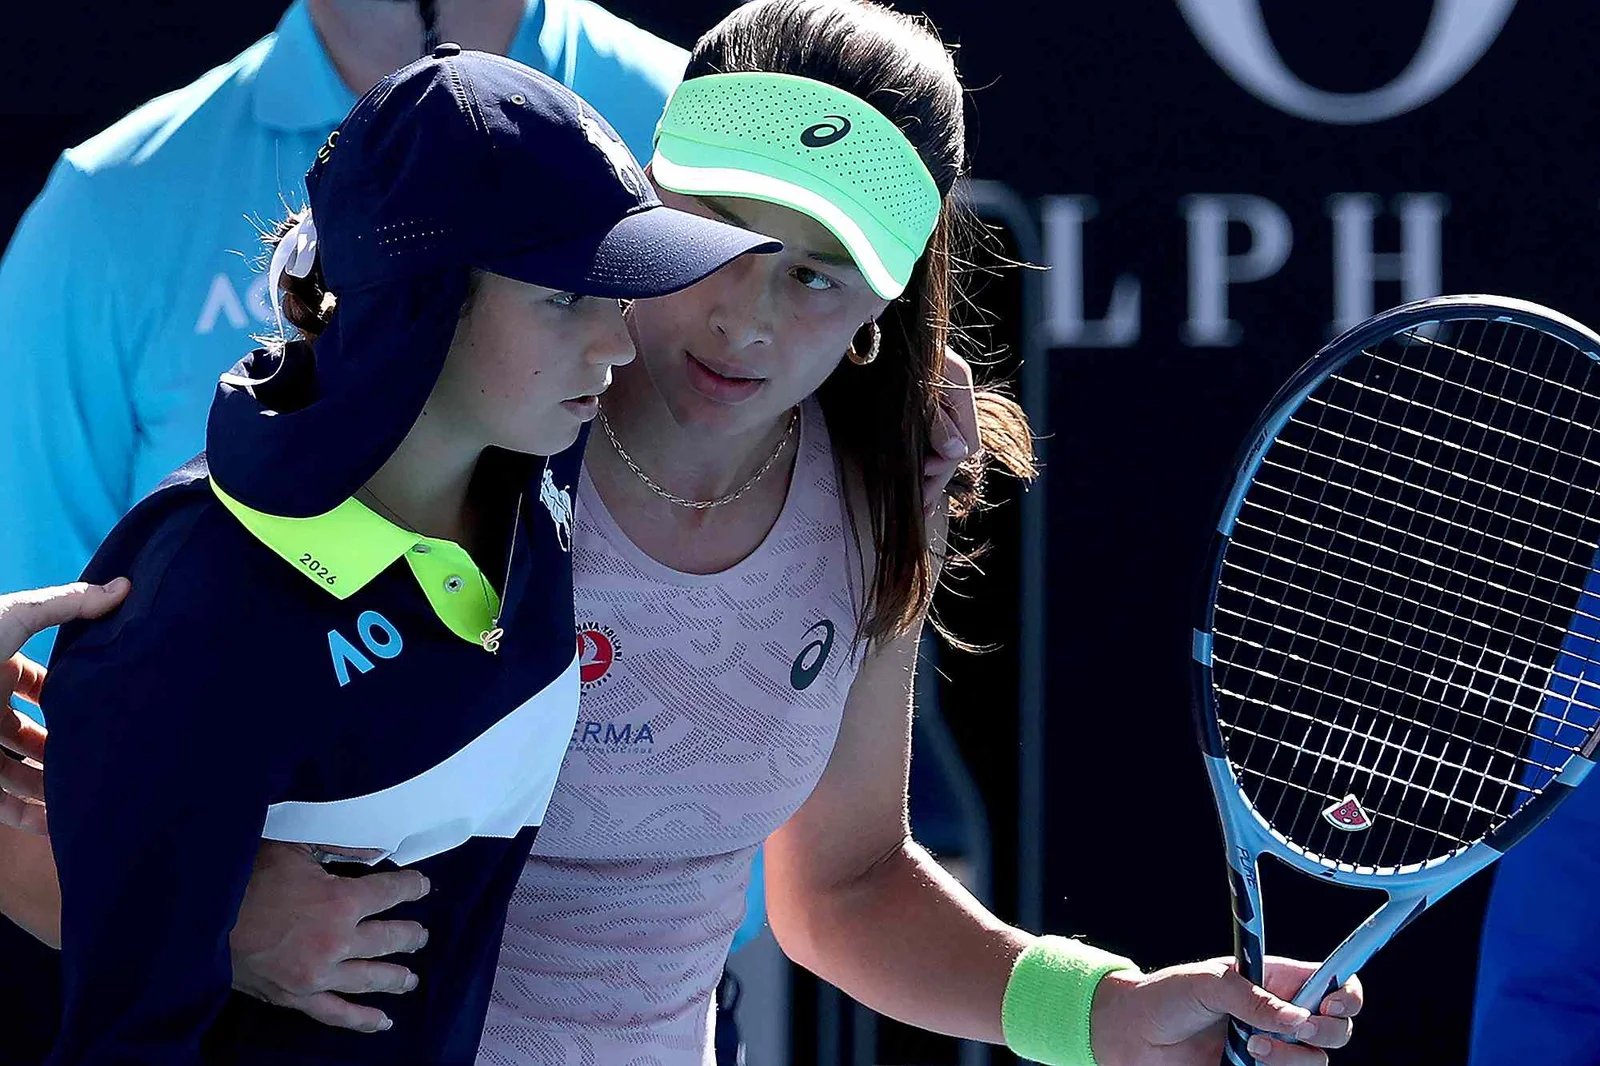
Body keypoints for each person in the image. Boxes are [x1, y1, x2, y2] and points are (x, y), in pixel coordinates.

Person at [0, 3, 1367, 1064]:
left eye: (818, 278)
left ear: (885, 310)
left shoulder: (886, 493)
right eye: (715, 236)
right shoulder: (461, 421)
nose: (747, 318)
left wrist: (1109, 1012)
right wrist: (225, 924)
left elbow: (841, 886)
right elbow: (59, 798)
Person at [20, 47, 776, 1065]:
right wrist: (213, 913)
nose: (619, 345)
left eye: (614, 294)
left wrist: (914, 396)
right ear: (420, 307)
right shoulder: (196, 604)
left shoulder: (539, 463)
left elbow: (773, 377)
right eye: (564, 297)